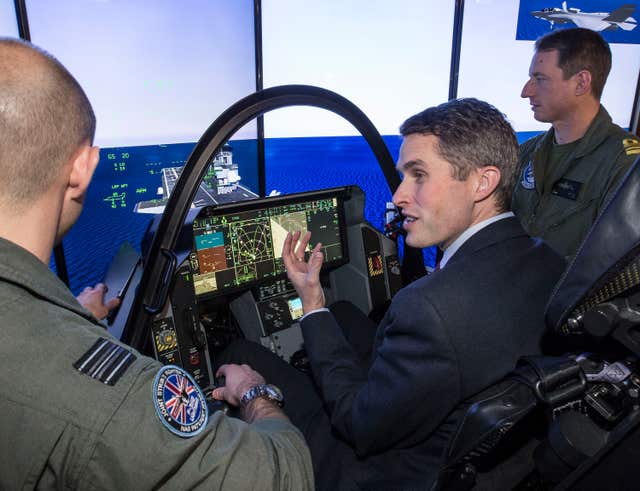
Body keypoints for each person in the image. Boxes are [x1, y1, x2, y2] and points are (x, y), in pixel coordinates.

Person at [0, 38, 313, 490]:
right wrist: (254, 393)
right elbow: (286, 476)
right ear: (84, 168)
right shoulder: (110, 401)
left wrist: (71, 321)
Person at [214, 98, 566, 490]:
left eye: (418, 175)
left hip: (377, 469)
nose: (398, 195)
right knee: (345, 312)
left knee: (241, 354)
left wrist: (253, 389)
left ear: (482, 182)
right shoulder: (547, 260)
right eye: (403, 176)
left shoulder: (431, 307)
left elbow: (356, 424)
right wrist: (319, 304)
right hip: (477, 449)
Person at [513, 27, 640, 260]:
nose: (526, 91)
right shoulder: (528, 152)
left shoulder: (627, 165)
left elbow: (619, 265)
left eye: (539, 79)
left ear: (581, 83)